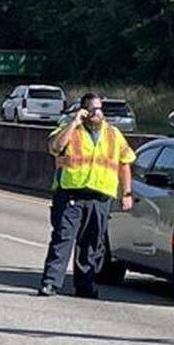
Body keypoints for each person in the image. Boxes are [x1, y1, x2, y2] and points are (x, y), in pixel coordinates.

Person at [37, 93, 136, 298]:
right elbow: (55, 147)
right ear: (83, 111)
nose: (96, 113)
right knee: (62, 239)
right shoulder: (70, 130)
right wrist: (73, 123)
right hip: (71, 194)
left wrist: (126, 193)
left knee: (92, 244)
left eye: (99, 109)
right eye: (92, 109)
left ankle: (85, 286)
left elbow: (125, 163)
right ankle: (50, 283)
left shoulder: (113, 134)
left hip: (100, 197)